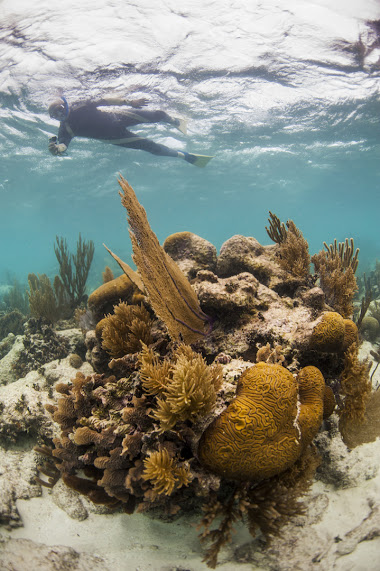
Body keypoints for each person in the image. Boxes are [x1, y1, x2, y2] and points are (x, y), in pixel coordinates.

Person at [48, 95, 213, 167]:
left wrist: (129, 102)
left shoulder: (81, 105)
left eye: (60, 110)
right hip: (115, 137)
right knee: (151, 147)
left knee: (157, 115)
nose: (61, 115)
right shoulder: (65, 128)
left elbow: (104, 101)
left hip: (117, 117)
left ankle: (176, 121)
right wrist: (57, 149)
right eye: (56, 116)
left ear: (65, 105)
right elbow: (63, 144)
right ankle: (185, 156)